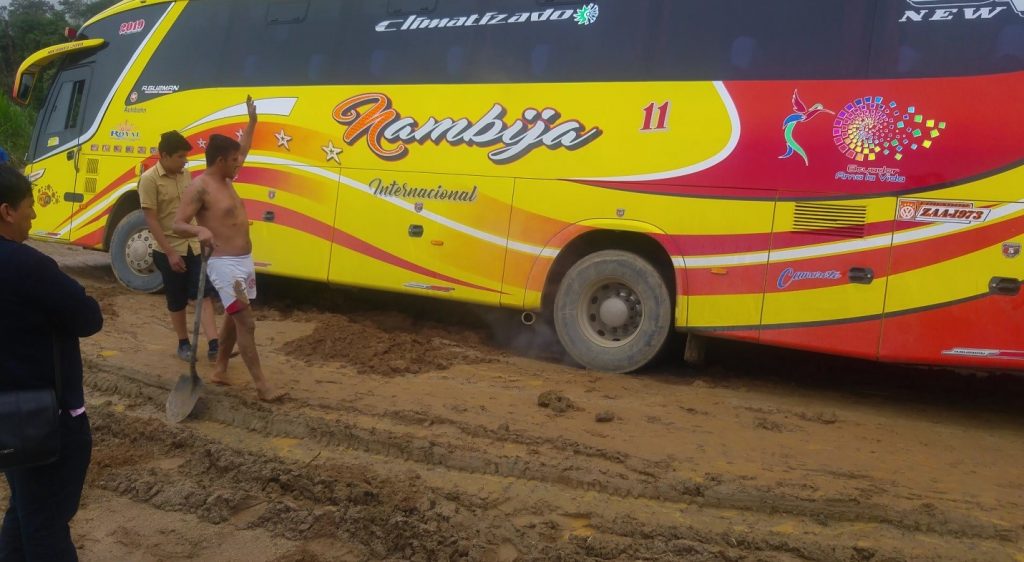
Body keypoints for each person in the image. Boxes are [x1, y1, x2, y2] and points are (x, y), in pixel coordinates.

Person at [0, 164, 103, 560]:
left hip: (7, 417)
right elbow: (87, 318)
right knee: (46, 525)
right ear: (7, 211)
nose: (33, 215)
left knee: (25, 509)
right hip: (47, 420)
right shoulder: (28, 265)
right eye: (28, 206)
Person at [174, 96, 286, 402]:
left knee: (233, 320)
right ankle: (262, 386)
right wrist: (201, 229)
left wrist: (252, 123)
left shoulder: (227, 175)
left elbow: (243, 147)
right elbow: (178, 223)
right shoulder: (200, 187)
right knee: (246, 322)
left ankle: (221, 368)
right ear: (221, 160)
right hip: (223, 265)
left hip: (244, 261)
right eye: (235, 160)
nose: (240, 162)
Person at [140, 131, 222, 362]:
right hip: (169, 248)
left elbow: (196, 209)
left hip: (193, 247)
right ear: (164, 156)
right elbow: (151, 219)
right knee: (176, 299)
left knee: (203, 294)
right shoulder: (149, 180)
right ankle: (183, 343)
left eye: (186, 157)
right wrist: (169, 253)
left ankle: (214, 344)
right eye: (180, 156)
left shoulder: (187, 176)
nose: (185, 161)